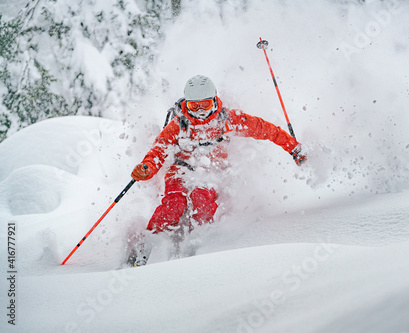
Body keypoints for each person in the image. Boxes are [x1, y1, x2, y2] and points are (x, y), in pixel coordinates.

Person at [127, 75, 306, 266]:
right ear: (186, 104)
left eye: (204, 104)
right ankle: (147, 243)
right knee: (174, 203)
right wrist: (147, 168)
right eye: (194, 106)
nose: (201, 111)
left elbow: (265, 129)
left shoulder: (227, 119)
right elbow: (159, 150)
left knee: (201, 199)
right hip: (181, 171)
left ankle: (200, 244)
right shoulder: (179, 124)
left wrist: (293, 148)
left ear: (213, 100)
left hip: (211, 172)